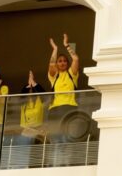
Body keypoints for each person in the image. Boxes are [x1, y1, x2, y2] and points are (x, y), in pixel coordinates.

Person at [47, 33, 80, 166]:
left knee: (67, 140)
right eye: (60, 61)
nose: (62, 63)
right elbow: (51, 64)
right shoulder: (54, 77)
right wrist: (55, 49)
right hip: (55, 111)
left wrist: (66, 45)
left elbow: (76, 59)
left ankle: (66, 167)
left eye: (64, 61)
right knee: (56, 141)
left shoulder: (72, 74)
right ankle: (55, 167)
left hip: (70, 108)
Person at [11, 71, 45, 169]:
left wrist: (34, 83)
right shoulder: (24, 104)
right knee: (22, 159)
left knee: (34, 159)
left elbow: (43, 93)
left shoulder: (39, 101)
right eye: (28, 89)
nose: (30, 91)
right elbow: (22, 94)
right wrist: (28, 83)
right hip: (26, 133)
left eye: (32, 89)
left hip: (37, 132)